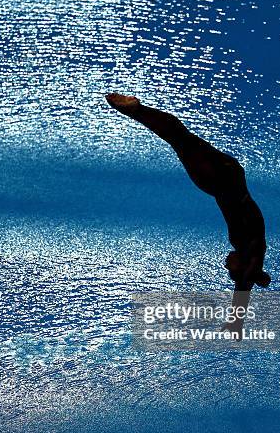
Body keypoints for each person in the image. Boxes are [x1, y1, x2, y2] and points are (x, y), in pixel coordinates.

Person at [106, 93, 271, 339]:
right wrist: (243, 305)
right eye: (230, 268)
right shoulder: (253, 248)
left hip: (227, 178)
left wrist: (236, 324)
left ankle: (137, 111)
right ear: (244, 268)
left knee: (181, 138)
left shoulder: (248, 246)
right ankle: (135, 110)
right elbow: (244, 286)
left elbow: (244, 286)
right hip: (221, 180)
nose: (226, 263)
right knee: (178, 137)